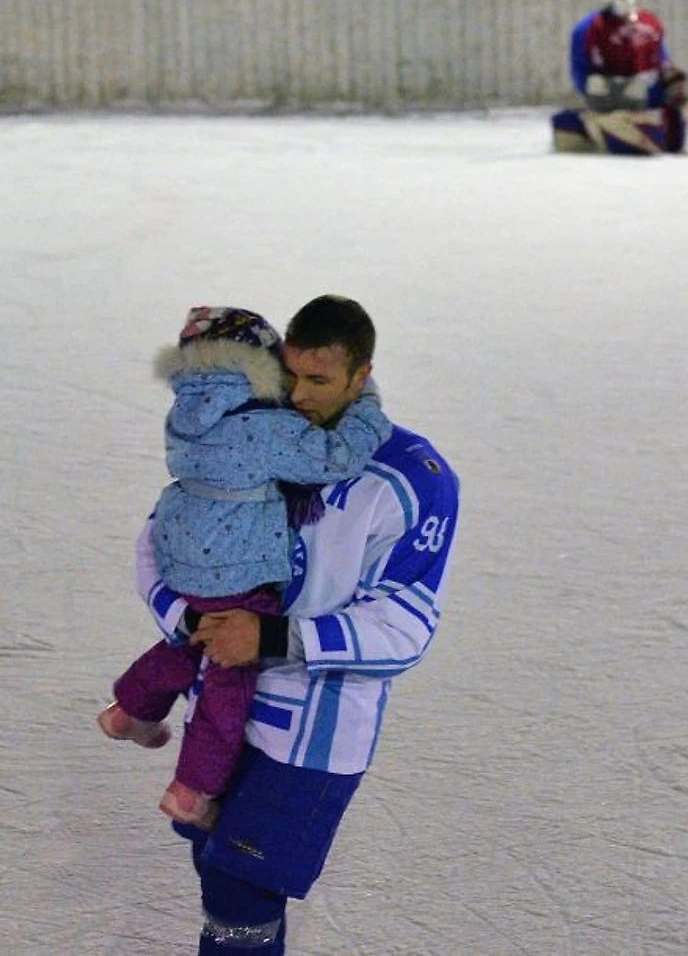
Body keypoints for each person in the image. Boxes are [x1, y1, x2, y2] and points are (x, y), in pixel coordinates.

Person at [135, 295, 460, 955]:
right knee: (212, 864)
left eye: (320, 381)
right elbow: (161, 541)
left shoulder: (415, 481)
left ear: (360, 376)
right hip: (224, 705)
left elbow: (405, 625)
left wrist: (272, 637)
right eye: (292, 377)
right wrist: (193, 618)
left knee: (241, 890)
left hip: (313, 735)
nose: (301, 397)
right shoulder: (259, 432)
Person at [98, 305, 392, 830]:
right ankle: (193, 790)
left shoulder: (187, 414)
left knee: (188, 642)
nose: (295, 391)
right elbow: (335, 458)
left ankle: (131, 710)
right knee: (227, 682)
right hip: (237, 565)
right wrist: (367, 408)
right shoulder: (266, 427)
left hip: (181, 552)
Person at [552, 0, 688, 154]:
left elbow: (661, 58)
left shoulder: (650, 23)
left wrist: (673, 79)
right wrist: (595, 95)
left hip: (648, 94)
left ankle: (665, 133)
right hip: (613, 98)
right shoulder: (589, 28)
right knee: (605, 87)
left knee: (678, 89)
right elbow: (580, 69)